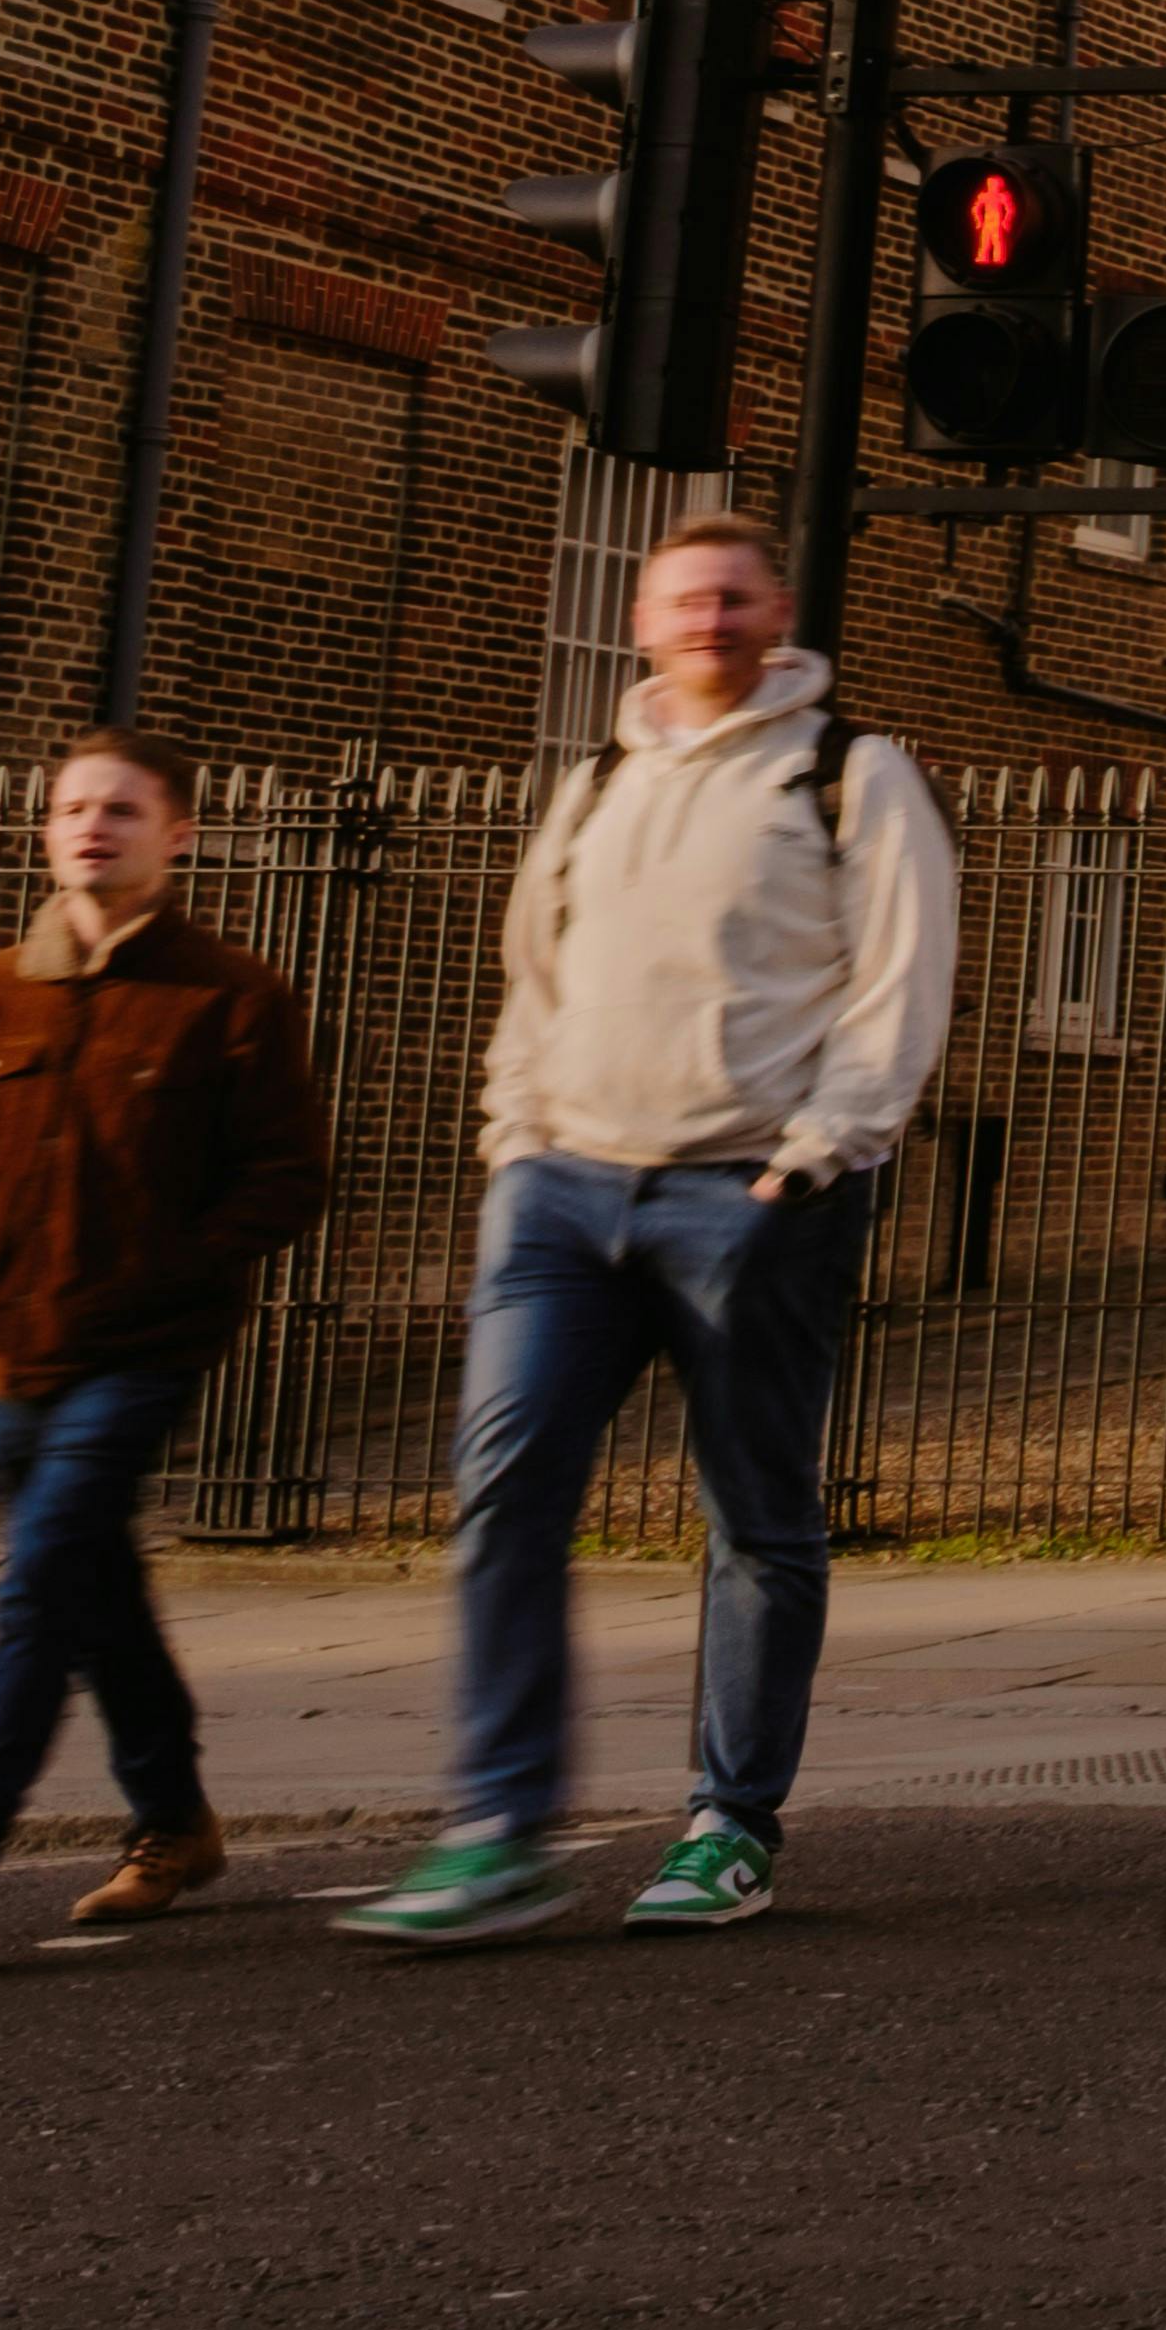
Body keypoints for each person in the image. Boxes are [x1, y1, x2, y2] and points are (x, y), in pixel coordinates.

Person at [345, 501, 955, 1954]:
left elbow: (899, 981)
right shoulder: (598, 776)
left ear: (776, 609)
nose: (708, 621)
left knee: (756, 1511)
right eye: (684, 599)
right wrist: (514, 1137)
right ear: (643, 617)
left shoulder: (847, 771)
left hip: (748, 1188)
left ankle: (729, 1821)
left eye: (735, 598)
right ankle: (498, 1825)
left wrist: (818, 1157)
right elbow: (532, 972)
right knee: (505, 1489)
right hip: (562, 1185)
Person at [0, 729, 331, 1977]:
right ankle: (175, 1820)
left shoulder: (233, 994)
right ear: (47, 830)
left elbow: (289, 1175)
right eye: (73, 808)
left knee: (34, 1591)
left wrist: (180, 1269)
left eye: (122, 809)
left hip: (144, 1348)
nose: (92, 826)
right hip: (6, 1344)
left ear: (180, 836)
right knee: (94, 1592)